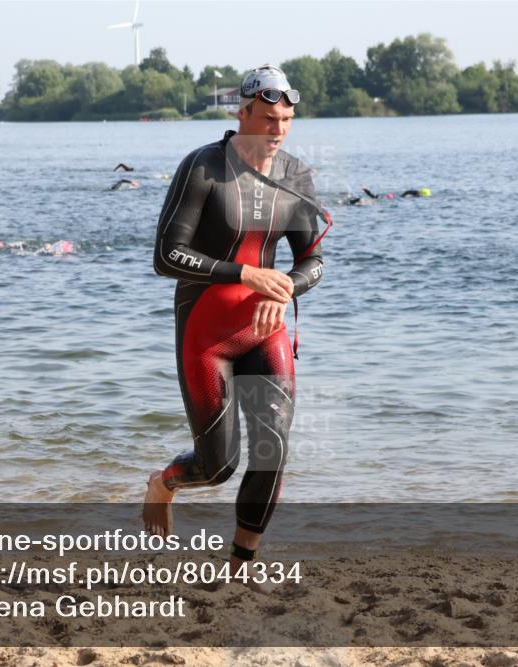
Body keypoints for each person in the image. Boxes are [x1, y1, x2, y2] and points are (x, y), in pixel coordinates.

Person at [145, 64, 326, 592]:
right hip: (206, 331)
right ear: (242, 112)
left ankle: (240, 570)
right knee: (217, 466)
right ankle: (164, 483)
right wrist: (245, 272)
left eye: (287, 119)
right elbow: (166, 255)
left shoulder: (294, 176)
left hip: (264, 325)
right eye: (268, 118)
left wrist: (289, 286)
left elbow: (314, 261)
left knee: (273, 448)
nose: (278, 130)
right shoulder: (203, 167)